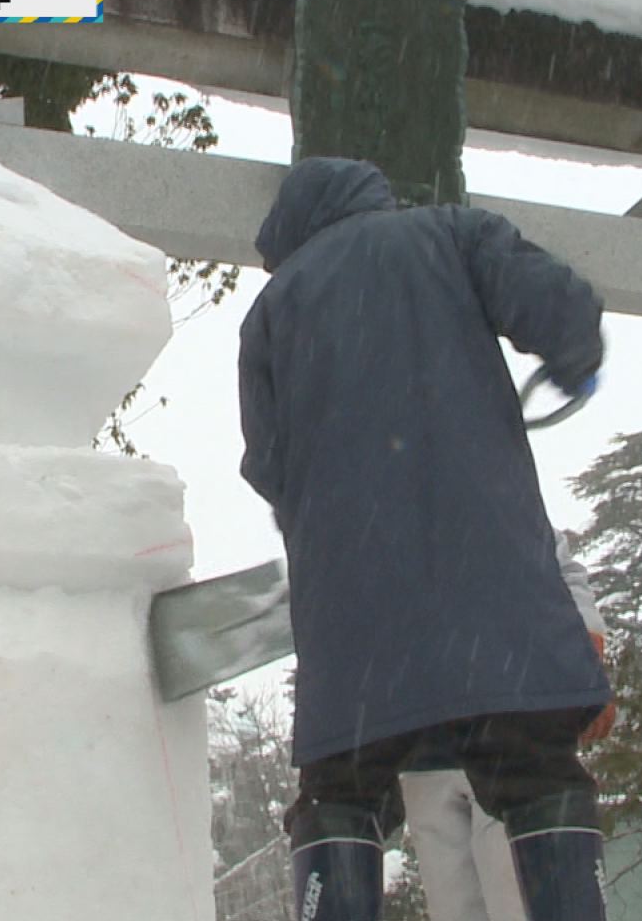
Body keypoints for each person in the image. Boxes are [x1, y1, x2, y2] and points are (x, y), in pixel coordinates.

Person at [237, 157, 612, 921]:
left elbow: (267, 466)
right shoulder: (453, 233)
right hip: (496, 601)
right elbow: (562, 310)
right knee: (540, 774)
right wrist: (576, 364)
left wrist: (342, 521)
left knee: (339, 794)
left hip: (355, 629)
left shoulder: (272, 311)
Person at [401, 531, 616, 921]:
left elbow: (560, 568)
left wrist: (586, 662)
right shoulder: (377, 507)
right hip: (424, 744)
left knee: (518, 899)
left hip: (508, 727)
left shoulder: (489, 488)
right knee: (455, 908)